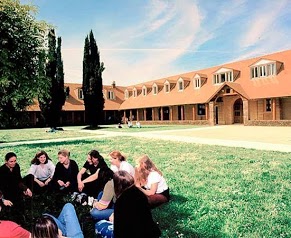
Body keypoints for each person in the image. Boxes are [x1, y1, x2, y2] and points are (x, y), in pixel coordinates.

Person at [95, 171, 161, 238]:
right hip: (149, 232)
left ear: (117, 185)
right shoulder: (140, 194)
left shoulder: (121, 201)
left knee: (99, 224)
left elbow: (119, 230)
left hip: (132, 234)